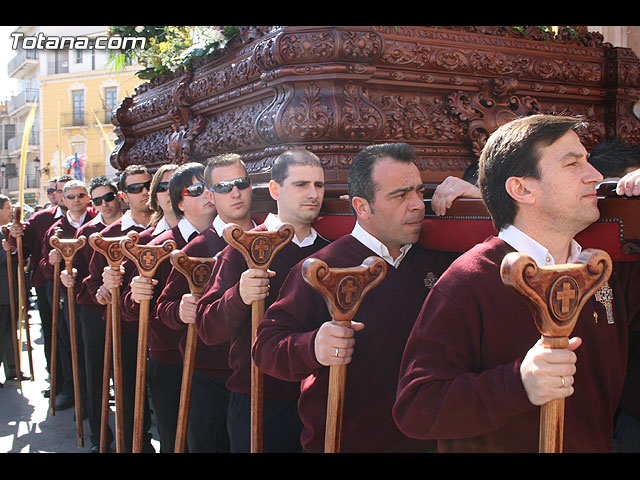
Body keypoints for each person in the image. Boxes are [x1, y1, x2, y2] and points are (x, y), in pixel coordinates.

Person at [393, 114, 640, 453]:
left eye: (587, 160)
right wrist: (519, 383)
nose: (595, 176)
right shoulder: (469, 280)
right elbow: (417, 408)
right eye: (572, 163)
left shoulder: (604, 271)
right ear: (522, 189)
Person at [252, 143, 457, 452]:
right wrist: (314, 346)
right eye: (400, 195)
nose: (417, 205)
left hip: (427, 440)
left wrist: (479, 199)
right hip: (345, 440)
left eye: (420, 192)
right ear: (362, 207)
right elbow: (266, 348)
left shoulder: (440, 262)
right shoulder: (322, 269)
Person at [195, 149, 330, 453]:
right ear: (274, 189)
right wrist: (239, 296)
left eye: (319, 185)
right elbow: (207, 328)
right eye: (301, 185)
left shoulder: (332, 252)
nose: (313, 194)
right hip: (259, 398)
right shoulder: (243, 248)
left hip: (321, 398)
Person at [155, 153, 254, 452]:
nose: (235, 193)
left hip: (260, 376)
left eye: (241, 183)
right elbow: (165, 308)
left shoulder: (272, 236)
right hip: (212, 376)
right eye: (224, 187)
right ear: (211, 195)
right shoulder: (196, 247)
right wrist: (181, 309)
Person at [119, 162, 216, 453]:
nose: (210, 195)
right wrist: (136, 295)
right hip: (171, 360)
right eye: (199, 190)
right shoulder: (160, 246)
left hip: (214, 363)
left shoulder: (226, 239)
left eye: (211, 188)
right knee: (176, 440)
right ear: (179, 202)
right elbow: (127, 307)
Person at [87, 164, 170, 453]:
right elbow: (93, 285)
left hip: (167, 328)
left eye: (149, 185)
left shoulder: (171, 227)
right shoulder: (110, 236)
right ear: (124, 195)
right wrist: (103, 291)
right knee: (129, 388)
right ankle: (138, 441)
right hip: (128, 326)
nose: (145, 192)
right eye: (136, 188)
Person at [60, 175, 123, 452]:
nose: (104, 204)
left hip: (127, 312)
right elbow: (79, 272)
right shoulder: (86, 231)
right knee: (96, 374)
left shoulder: (135, 226)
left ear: (118, 196)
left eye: (108, 197)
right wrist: (71, 278)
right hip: (92, 312)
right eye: (97, 200)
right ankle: (100, 437)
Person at [8, 174, 72, 396]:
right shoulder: (40, 218)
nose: (65, 196)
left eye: (70, 191)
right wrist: (14, 238)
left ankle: (81, 386)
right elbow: (20, 248)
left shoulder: (89, 217)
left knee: (74, 337)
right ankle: (58, 381)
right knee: (53, 333)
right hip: (47, 285)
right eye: (60, 191)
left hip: (77, 286)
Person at [42, 179, 96, 412]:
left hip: (92, 296)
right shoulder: (54, 230)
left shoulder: (97, 223)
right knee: (67, 343)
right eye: (70, 196)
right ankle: (72, 391)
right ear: (62, 200)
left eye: (80, 196)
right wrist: (51, 262)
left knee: (90, 347)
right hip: (67, 296)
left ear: (87, 198)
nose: (76, 201)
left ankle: (94, 397)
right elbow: (43, 265)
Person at [0, 195, 18, 386]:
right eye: (7, 207)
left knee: (10, 332)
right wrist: (4, 252)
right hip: (1, 292)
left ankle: (12, 369)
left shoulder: (7, 231)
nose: (10, 210)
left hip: (10, 292)